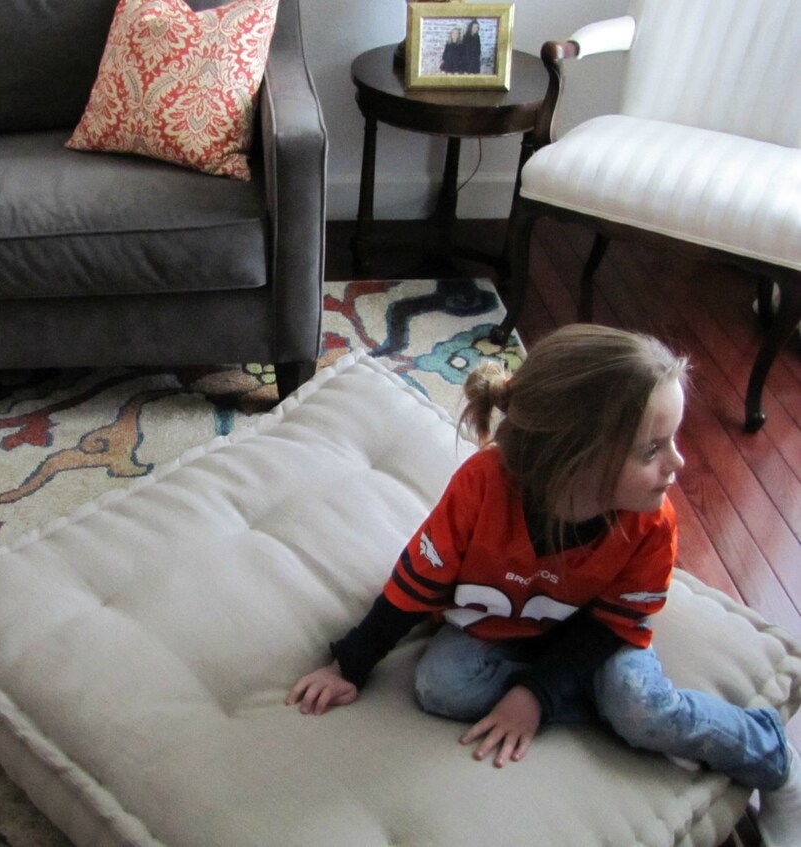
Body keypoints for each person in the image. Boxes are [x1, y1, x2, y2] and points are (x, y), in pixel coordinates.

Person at [286, 324, 800, 846]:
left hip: (595, 637)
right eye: (651, 451)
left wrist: (536, 694)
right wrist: (348, 664)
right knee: (440, 688)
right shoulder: (481, 487)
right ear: (573, 461)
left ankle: (770, 751)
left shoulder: (652, 524)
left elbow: (613, 625)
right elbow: (415, 584)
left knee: (639, 709)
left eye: (672, 442)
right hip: (498, 628)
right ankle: (581, 697)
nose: (678, 464)